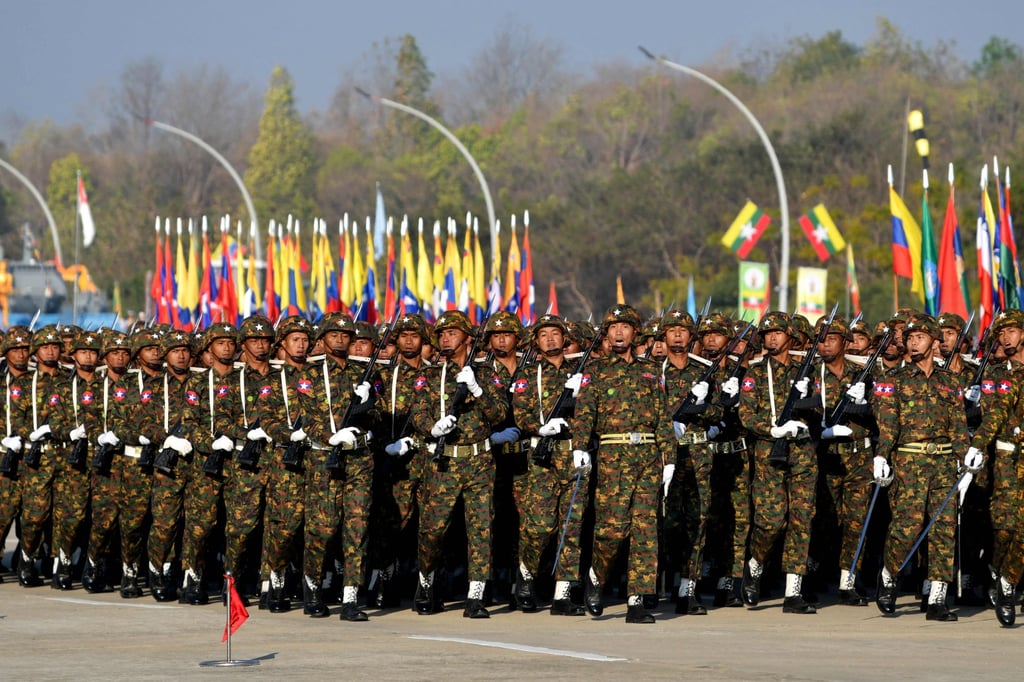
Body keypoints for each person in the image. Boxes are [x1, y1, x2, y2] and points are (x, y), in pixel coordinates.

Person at [573, 304, 675, 624]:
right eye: (614, 327)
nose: (619, 332)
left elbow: (662, 418)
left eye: (625, 327)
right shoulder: (596, 371)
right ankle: (596, 576)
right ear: (606, 334)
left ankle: (637, 600)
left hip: (647, 456)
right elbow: (584, 414)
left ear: (635, 333)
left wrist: (669, 458)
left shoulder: (649, 371)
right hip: (613, 456)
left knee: (645, 530)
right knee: (612, 530)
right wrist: (580, 447)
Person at [408, 310, 507, 619]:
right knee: (432, 531)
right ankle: (426, 582)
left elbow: (500, 414)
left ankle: (475, 595)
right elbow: (418, 411)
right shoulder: (430, 374)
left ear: (467, 337)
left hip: (479, 459)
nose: (446, 338)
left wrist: (478, 390)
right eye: (442, 334)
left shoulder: (489, 372)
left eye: (452, 333)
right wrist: (432, 428)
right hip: (444, 462)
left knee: (481, 529)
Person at [873, 313, 971, 621]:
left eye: (920, 338)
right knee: (906, 528)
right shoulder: (894, 381)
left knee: (943, 532)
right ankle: (890, 574)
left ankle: (937, 599)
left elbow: (958, 425)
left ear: (933, 342)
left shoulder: (951, 382)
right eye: (910, 338)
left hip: (943, 462)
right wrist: (881, 456)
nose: (913, 342)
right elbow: (887, 425)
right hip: (909, 462)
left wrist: (965, 459)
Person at [296, 312, 379, 621]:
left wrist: (370, 402)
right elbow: (306, 416)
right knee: (323, 528)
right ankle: (313, 589)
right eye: (335, 335)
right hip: (324, 459)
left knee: (356, 529)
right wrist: (331, 436)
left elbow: (383, 414)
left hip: (359, 459)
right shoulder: (310, 374)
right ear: (324, 339)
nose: (342, 340)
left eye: (347, 336)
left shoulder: (365, 373)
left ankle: (350, 598)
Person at [737, 311, 818, 614]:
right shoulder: (756, 374)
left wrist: (809, 397)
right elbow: (746, 415)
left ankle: (792, 592)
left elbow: (820, 412)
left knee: (801, 520)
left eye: (777, 333)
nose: (771, 338)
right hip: (769, 452)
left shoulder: (806, 370)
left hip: (803, 454)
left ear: (790, 337)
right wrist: (772, 430)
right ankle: (755, 566)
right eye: (767, 333)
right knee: (770, 522)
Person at [510, 313, 590, 615]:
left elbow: (591, 413)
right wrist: (540, 426)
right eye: (544, 335)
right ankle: (527, 577)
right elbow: (521, 414)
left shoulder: (581, 372)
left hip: (572, 455)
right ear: (536, 341)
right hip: (542, 456)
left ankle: (562, 594)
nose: (550, 339)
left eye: (555, 333)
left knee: (571, 526)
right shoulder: (528, 375)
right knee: (540, 526)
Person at [371, 313, 432, 608]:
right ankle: (386, 580)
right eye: (403, 336)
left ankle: (427, 585)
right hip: (398, 460)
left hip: (430, 459)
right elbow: (378, 416)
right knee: (393, 525)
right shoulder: (384, 376)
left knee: (432, 525)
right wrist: (388, 445)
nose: (409, 341)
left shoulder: (435, 373)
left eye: (414, 336)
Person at [260, 315, 312, 613]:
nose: (301, 344)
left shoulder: (319, 376)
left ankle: (310, 585)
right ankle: (275, 579)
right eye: (295, 339)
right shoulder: (273, 381)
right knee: (285, 526)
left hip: (316, 457)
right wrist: (290, 433)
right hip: (285, 460)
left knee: (317, 527)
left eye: (305, 339)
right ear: (283, 344)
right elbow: (267, 418)